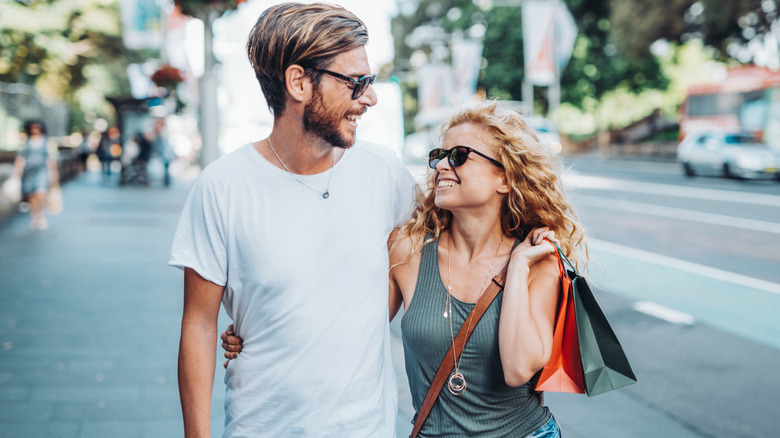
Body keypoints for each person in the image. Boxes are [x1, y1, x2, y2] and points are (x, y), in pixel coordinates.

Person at [223, 102, 587, 437]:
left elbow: (518, 369)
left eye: (459, 156)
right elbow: (344, 327)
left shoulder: (538, 262)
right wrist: (259, 331)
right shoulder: (408, 251)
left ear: (504, 178)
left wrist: (519, 267)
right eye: (439, 155)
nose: (442, 165)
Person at [169, 3, 417, 437]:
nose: (370, 97)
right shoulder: (222, 187)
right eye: (356, 82)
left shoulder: (385, 174)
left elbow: (420, 271)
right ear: (299, 81)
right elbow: (199, 324)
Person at [12, 120, 59, 230]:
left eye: (37, 127)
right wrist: (17, 172)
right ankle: (34, 217)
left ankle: (41, 215)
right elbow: (21, 158)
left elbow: (51, 159)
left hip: (41, 171)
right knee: (31, 195)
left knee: (41, 193)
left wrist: (54, 172)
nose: (35, 129)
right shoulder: (26, 142)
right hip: (28, 172)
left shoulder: (47, 142)